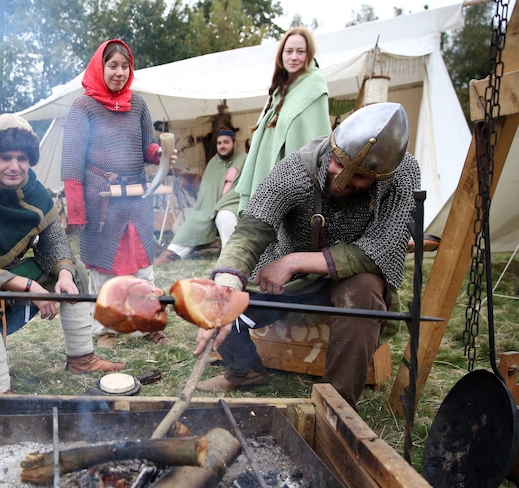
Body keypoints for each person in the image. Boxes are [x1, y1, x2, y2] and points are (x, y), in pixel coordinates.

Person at [195, 102, 419, 410]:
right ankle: (244, 370)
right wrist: (227, 284)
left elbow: (382, 248)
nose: (340, 178)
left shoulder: (403, 174)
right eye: (338, 163)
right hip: (293, 283)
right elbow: (252, 229)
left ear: (381, 177)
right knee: (221, 294)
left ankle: (337, 406)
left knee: (364, 293)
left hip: (349, 278)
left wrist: (295, 261)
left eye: (358, 178)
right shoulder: (298, 168)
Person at [0, 114, 125, 394]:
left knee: (75, 270)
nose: (15, 166)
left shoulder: (34, 191)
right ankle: (0, 392)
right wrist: (28, 286)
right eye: (6, 157)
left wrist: (63, 274)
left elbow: (54, 243)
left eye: (22, 158)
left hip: (7, 274)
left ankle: (81, 359)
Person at [61, 39, 173, 348]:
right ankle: (106, 329)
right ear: (101, 67)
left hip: (135, 197)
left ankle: (150, 324)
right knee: (105, 269)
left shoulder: (137, 104)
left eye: (125, 66)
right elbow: (71, 163)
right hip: (102, 199)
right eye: (113, 66)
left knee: (142, 266)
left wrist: (159, 154)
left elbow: (146, 144)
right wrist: (78, 211)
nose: (120, 72)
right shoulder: (83, 107)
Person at [213, 27, 330, 242]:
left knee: (290, 238)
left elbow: (318, 138)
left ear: (309, 54)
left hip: (297, 178)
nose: (294, 57)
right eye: (289, 51)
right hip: (269, 175)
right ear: (281, 55)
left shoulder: (314, 87)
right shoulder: (278, 91)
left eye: (300, 51)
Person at [155, 127, 247, 264]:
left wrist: (224, 204)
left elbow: (246, 186)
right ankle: (171, 254)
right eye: (219, 143)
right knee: (195, 219)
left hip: (234, 204)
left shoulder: (245, 160)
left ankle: (230, 256)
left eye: (226, 142)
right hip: (211, 205)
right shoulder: (214, 163)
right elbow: (208, 189)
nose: (222, 146)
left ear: (235, 144)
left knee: (225, 216)